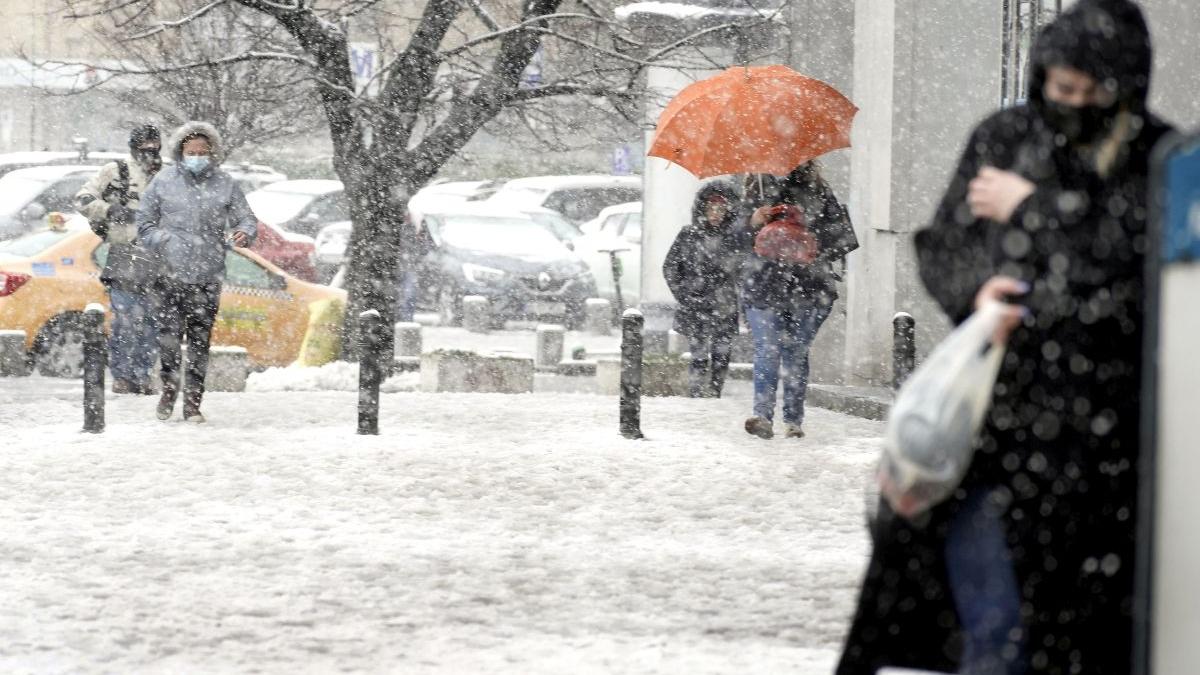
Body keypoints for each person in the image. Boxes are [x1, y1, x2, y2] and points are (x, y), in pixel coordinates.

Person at [837, 1, 1174, 673]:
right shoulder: (1007, 136)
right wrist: (976, 291)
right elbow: (944, 243)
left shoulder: (1155, 157)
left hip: (1107, 438)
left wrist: (1034, 208)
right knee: (993, 625)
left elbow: (1134, 258)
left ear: (1123, 87)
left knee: (1081, 632)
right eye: (1059, 87)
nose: (1070, 102)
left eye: (1088, 91)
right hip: (997, 421)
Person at [137, 121, 257, 423]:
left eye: (203, 152)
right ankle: (169, 388)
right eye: (191, 151)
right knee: (168, 339)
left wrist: (244, 232)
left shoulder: (225, 183)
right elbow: (144, 224)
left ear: (212, 153)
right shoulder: (163, 182)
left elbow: (246, 219)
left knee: (200, 343)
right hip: (169, 275)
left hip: (207, 275)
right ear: (180, 152)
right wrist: (163, 240)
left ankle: (193, 401)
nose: (197, 156)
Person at [734, 162, 857, 439]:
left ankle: (792, 420)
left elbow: (844, 237)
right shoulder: (756, 190)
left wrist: (806, 233)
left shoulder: (818, 192)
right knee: (768, 349)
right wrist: (753, 223)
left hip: (809, 289)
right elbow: (734, 243)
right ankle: (762, 415)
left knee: (795, 352)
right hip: (763, 288)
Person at [74, 124, 163, 394]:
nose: (150, 152)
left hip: (157, 258)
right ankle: (122, 376)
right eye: (145, 146)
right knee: (125, 319)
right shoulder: (116, 171)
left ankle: (143, 375)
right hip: (124, 253)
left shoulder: (167, 175)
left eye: (154, 146)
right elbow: (82, 199)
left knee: (151, 321)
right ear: (134, 147)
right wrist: (110, 210)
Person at [662, 181, 743, 398]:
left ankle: (715, 391)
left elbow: (744, 271)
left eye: (721, 209)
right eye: (711, 208)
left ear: (728, 211)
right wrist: (683, 293)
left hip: (724, 304)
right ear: (702, 209)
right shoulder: (688, 235)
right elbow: (670, 266)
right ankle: (696, 392)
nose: (715, 214)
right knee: (698, 353)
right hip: (695, 302)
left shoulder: (734, 239)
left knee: (721, 353)